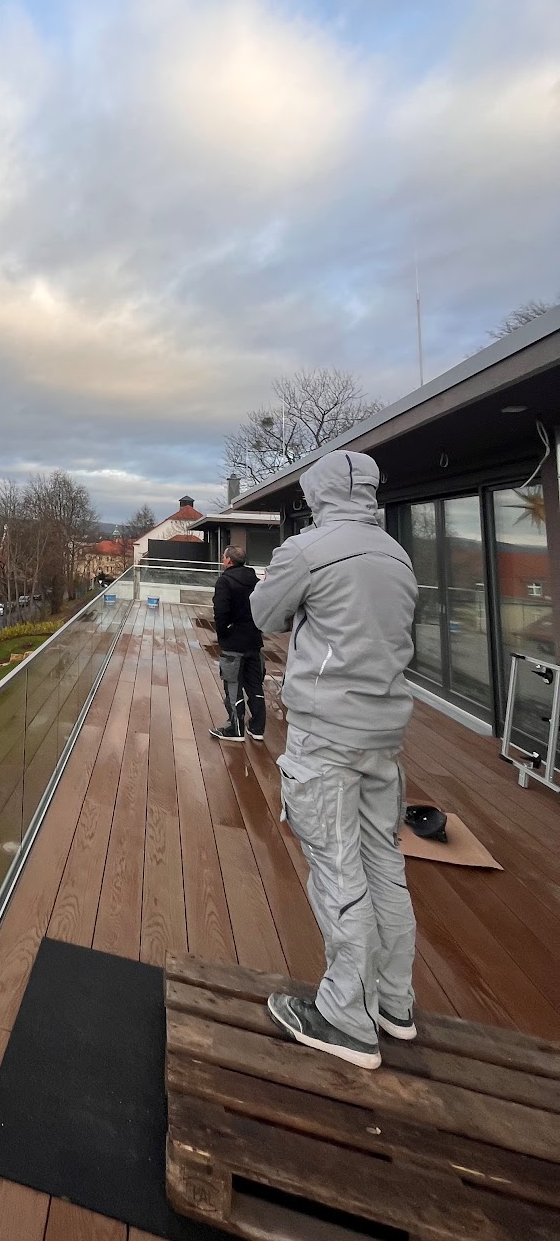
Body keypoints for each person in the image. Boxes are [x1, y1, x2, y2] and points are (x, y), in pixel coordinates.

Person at [249, 450, 419, 1071]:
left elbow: (265, 615)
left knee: (337, 868)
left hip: (327, 735)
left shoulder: (308, 549)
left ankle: (346, 1017)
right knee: (384, 866)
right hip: (384, 735)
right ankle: (394, 1004)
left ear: (317, 494)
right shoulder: (396, 554)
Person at [210, 545, 266, 743]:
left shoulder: (224, 581)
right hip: (254, 641)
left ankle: (236, 728)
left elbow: (221, 612)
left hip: (234, 643)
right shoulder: (256, 581)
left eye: (223, 557)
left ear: (228, 561)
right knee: (255, 685)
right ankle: (257, 728)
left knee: (233, 685)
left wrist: (223, 635)